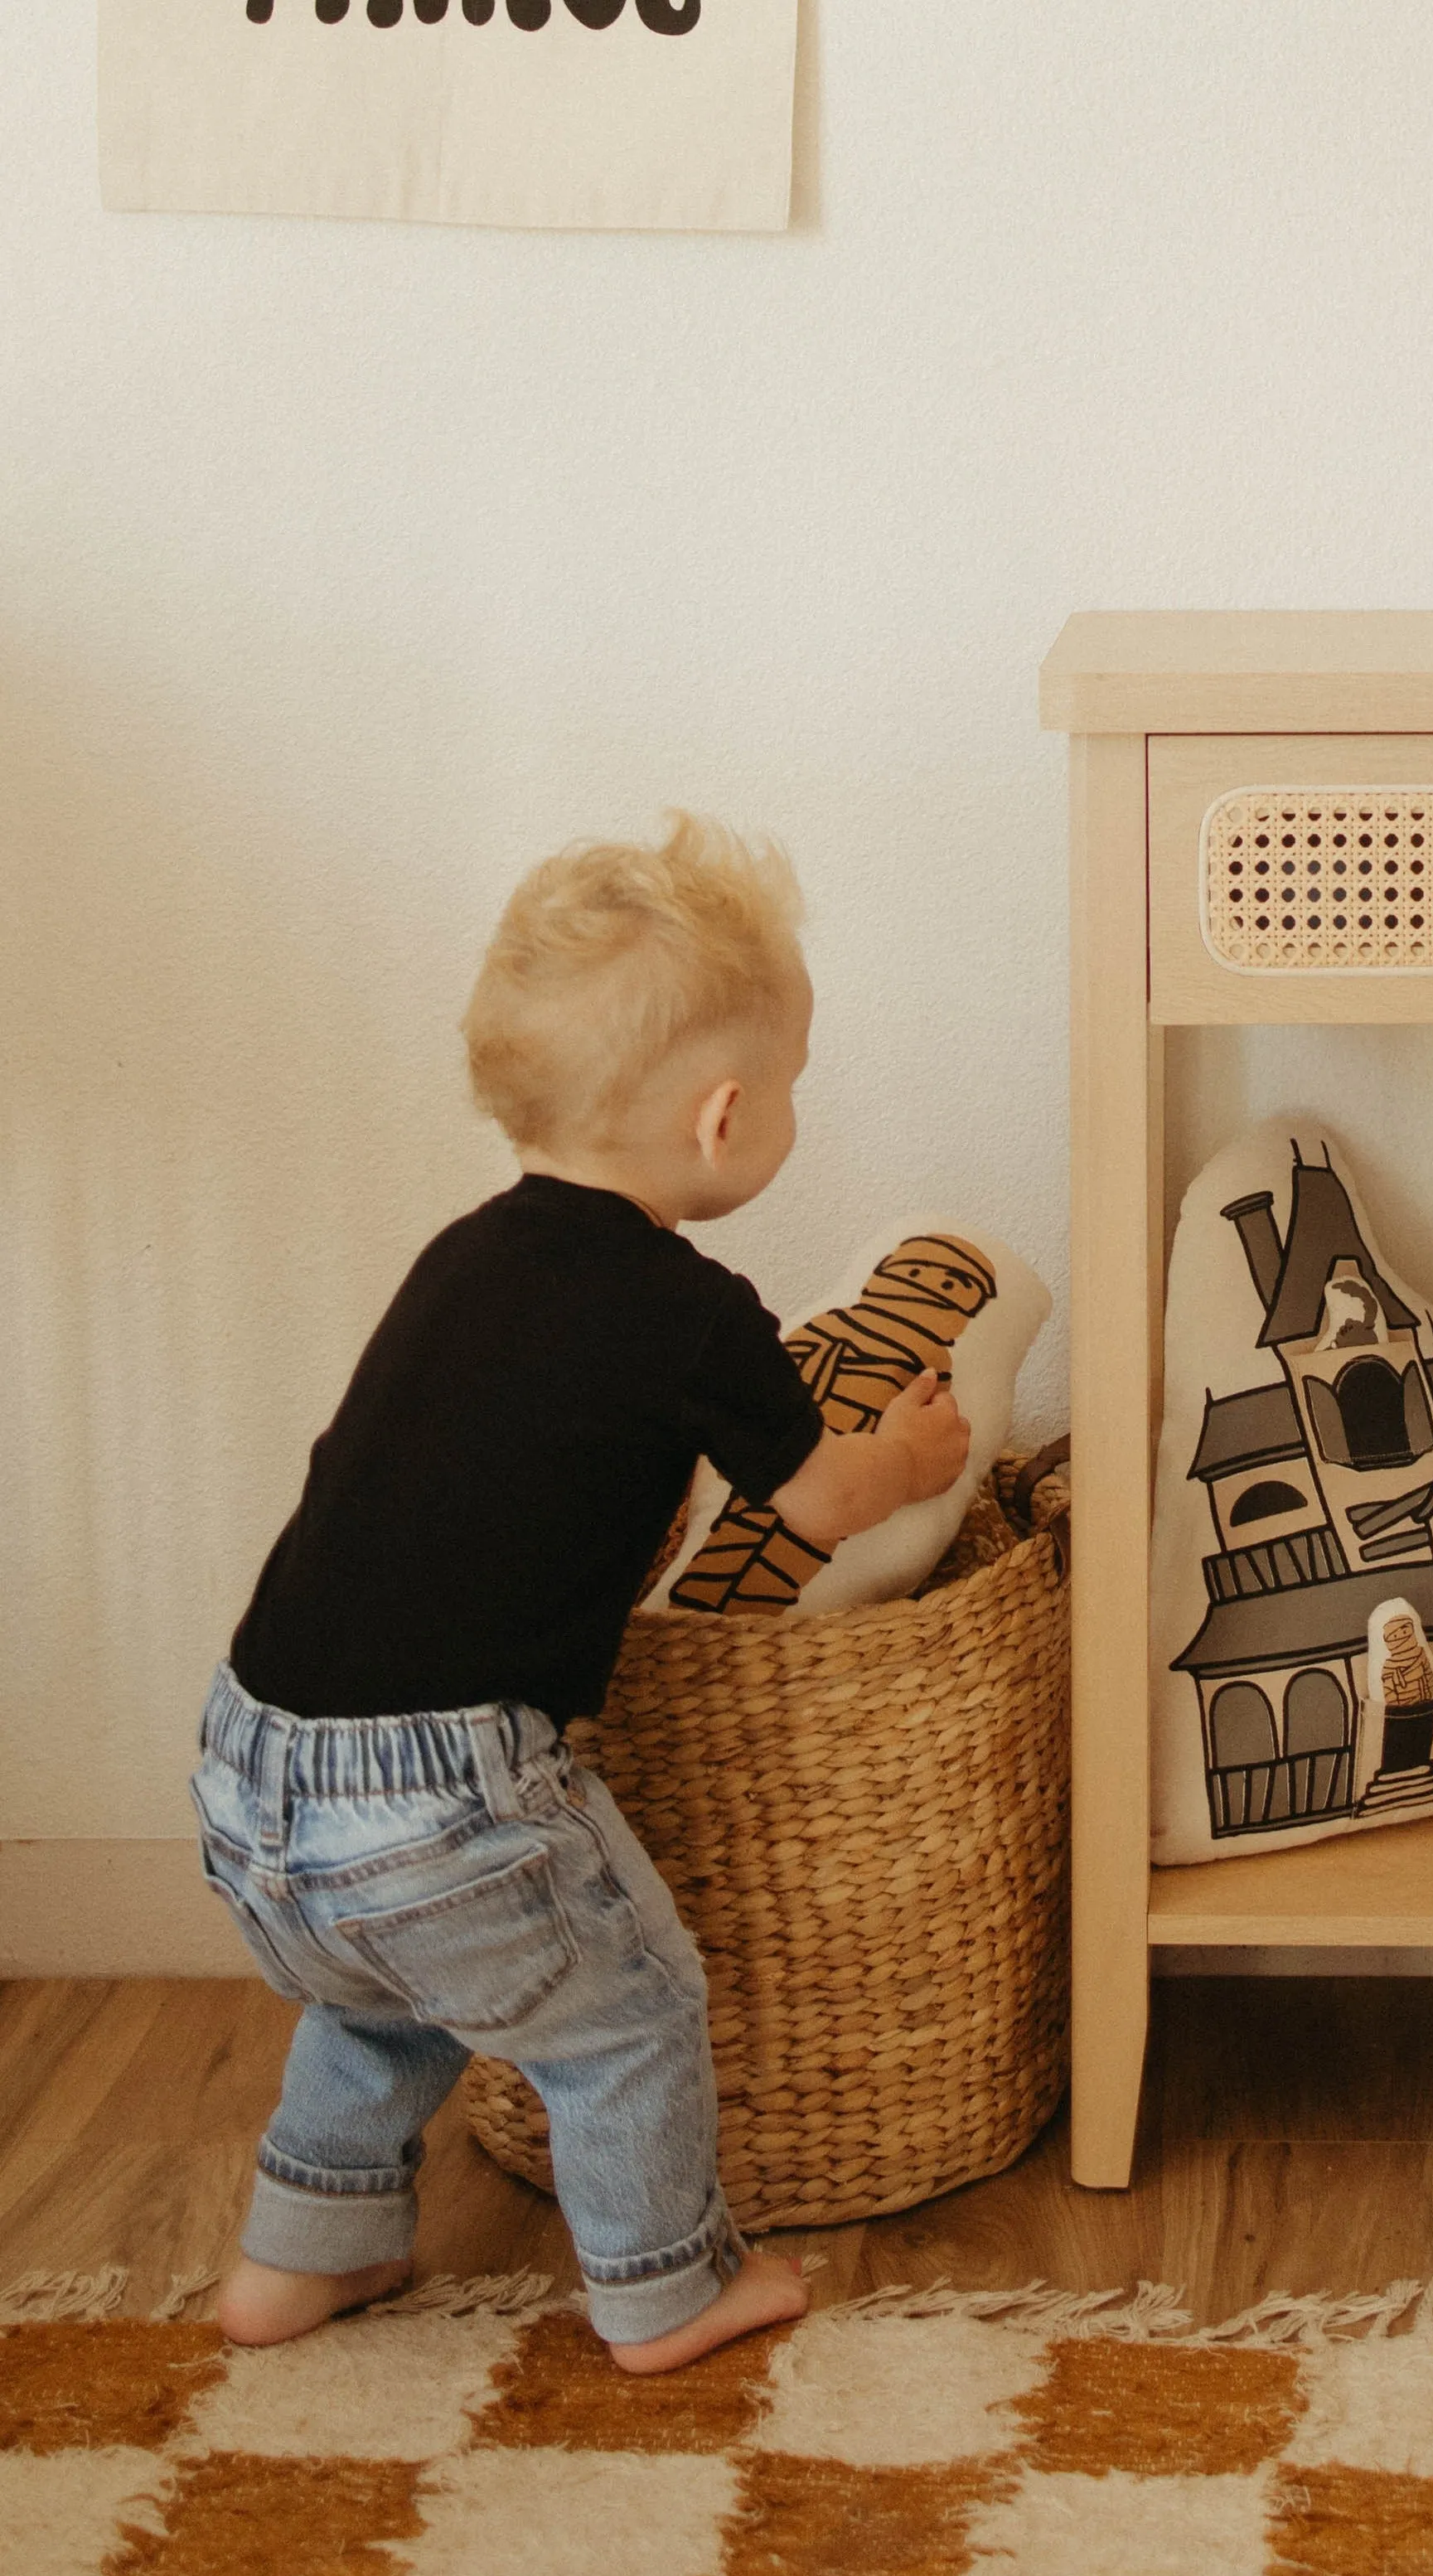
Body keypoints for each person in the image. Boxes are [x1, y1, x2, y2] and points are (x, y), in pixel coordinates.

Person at [194, 815, 967, 2371]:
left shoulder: (460, 1261)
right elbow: (818, 1499)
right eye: (795, 1091)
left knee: (382, 2003)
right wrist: (915, 1450)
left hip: (250, 1774)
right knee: (624, 2014)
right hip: (442, 1798)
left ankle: (298, 2259)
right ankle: (669, 2288)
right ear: (724, 1115)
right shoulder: (686, 1310)